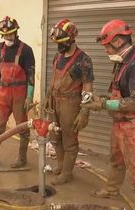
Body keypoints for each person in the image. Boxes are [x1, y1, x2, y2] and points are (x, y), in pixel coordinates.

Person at [82, 19, 135, 210]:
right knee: (116, 160)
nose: (105, 49)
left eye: (106, 44)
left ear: (119, 41)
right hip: (120, 123)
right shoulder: (122, 63)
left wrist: (105, 106)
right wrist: (102, 100)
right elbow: (118, 94)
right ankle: (111, 190)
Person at [45, 19, 94, 185]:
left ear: (72, 39)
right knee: (54, 135)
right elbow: (53, 78)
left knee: (69, 139)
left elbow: (87, 88)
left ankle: (67, 173)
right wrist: (47, 97)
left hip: (70, 103)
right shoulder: (57, 56)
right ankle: (60, 165)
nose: (59, 46)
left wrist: (84, 111)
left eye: (62, 42)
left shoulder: (83, 60)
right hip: (54, 101)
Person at [0, 16, 35, 170]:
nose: (8, 37)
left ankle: (22, 158)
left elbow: (31, 76)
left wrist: (30, 96)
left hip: (20, 93)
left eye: (10, 34)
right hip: (4, 92)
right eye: (5, 35)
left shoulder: (26, 50)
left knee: (22, 127)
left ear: (16, 32)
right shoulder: (0, 48)